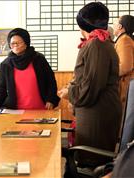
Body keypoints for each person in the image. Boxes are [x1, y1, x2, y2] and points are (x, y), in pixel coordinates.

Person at [62, 2, 122, 177]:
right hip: (97, 111)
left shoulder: (96, 44)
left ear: (84, 25)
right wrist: (73, 89)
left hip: (97, 114)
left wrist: (69, 93)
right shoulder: (100, 43)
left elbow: (90, 88)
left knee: (93, 163)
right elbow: (89, 80)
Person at [0, 28, 60, 110]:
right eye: (12, 43)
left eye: (18, 43)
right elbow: (2, 90)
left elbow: (51, 81)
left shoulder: (38, 59)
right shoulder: (6, 65)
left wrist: (51, 99)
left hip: (41, 108)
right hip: (16, 111)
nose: (15, 46)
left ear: (26, 43)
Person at [113, 15, 134, 109]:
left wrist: (108, 74)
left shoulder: (124, 40)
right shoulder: (125, 39)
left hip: (126, 87)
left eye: (115, 23)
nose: (113, 25)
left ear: (120, 26)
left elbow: (125, 67)